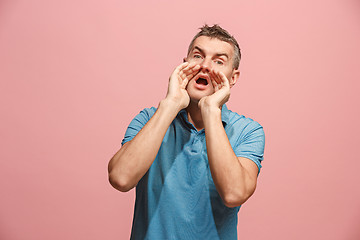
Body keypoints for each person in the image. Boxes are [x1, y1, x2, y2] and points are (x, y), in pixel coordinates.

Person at [108, 24, 265, 240]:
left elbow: (234, 194)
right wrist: (171, 104)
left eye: (219, 61)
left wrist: (211, 110)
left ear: (233, 77)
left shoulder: (248, 131)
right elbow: (120, 178)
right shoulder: (149, 119)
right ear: (184, 64)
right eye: (198, 56)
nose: (205, 66)